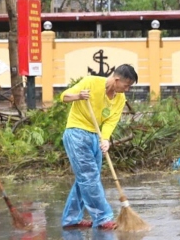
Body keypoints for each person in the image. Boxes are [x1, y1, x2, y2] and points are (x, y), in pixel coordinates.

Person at [59, 64, 138, 230]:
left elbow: (111, 120)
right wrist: (78, 96)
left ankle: (71, 219)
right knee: (89, 177)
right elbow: (64, 97)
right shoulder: (91, 82)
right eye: (126, 85)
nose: (127, 89)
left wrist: (106, 139)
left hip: (95, 136)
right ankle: (103, 217)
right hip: (77, 133)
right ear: (116, 80)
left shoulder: (119, 98)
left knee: (85, 179)